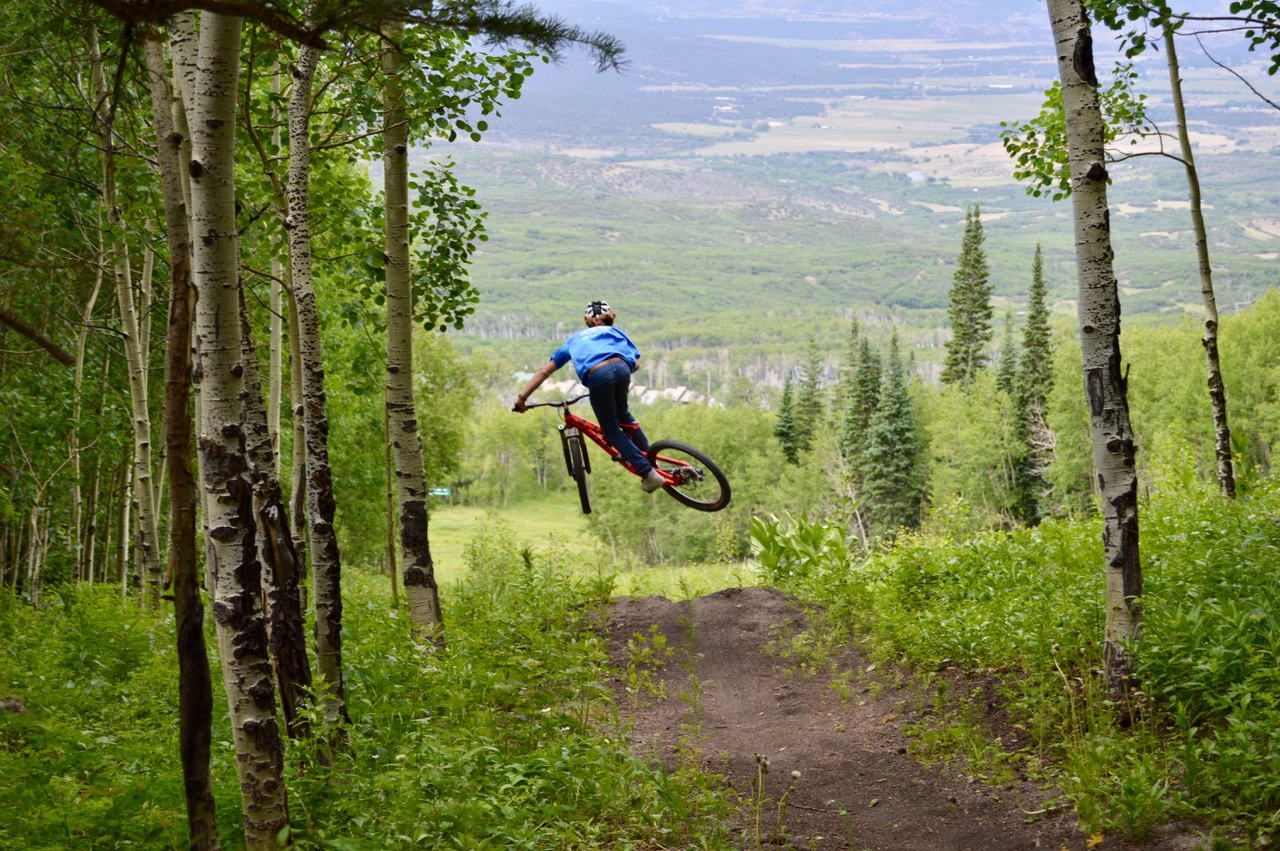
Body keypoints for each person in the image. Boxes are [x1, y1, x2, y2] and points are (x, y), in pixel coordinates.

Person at [513, 300, 666, 493]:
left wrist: (522, 399)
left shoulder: (575, 339)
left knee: (610, 429)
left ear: (587, 321)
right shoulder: (616, 332)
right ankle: (653, 463)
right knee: (624, 415)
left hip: (598, 375)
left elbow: (544, 371)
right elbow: (635, 364)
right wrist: (616, 375)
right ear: (610, 318)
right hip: (623, 369)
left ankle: (648, 473)